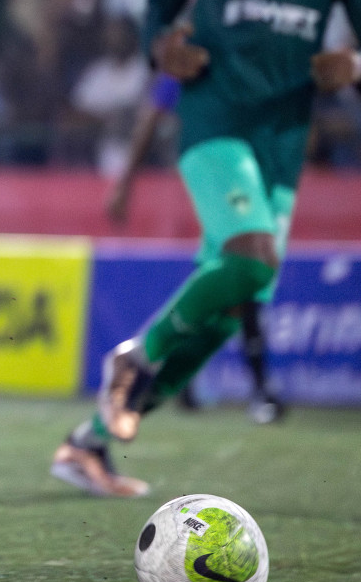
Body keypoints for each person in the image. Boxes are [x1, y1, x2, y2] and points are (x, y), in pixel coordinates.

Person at [52, 0, 361, 497]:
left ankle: (89, 445)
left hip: (284, 135)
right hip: (214, 120)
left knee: (227, 314)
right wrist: (163, 45)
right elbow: (158, 8)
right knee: (251, 263)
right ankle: (136, 359)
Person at [105, 70, 286, 424]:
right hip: (220, 172)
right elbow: (156, 110)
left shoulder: (241, 51)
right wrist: (126, 182)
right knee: (244, 275)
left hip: (247, 172)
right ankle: (256, 388)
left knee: (230, 280)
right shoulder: (191, 53)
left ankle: (181, 382)